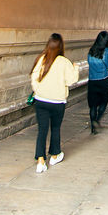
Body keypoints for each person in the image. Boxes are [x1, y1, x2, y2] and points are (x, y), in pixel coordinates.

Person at [30, 33, 78, 173]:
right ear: (61, 46)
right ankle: (55, 155)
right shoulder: (64, 62)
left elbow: (34, 78)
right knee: (55, 128)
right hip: (57, 102)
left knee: (42, 130)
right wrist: (75, 68)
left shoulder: (41, 59)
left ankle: (40, 161)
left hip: (41, 100)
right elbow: (71, 80)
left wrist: (39, 91)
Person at [86, 31, 108, 135]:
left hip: (92, 81)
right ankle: (97, 119)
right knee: (104, 101)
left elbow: (89, 63)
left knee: (93, 105)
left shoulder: (91, 50)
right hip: (104, 80)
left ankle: (92, 127)